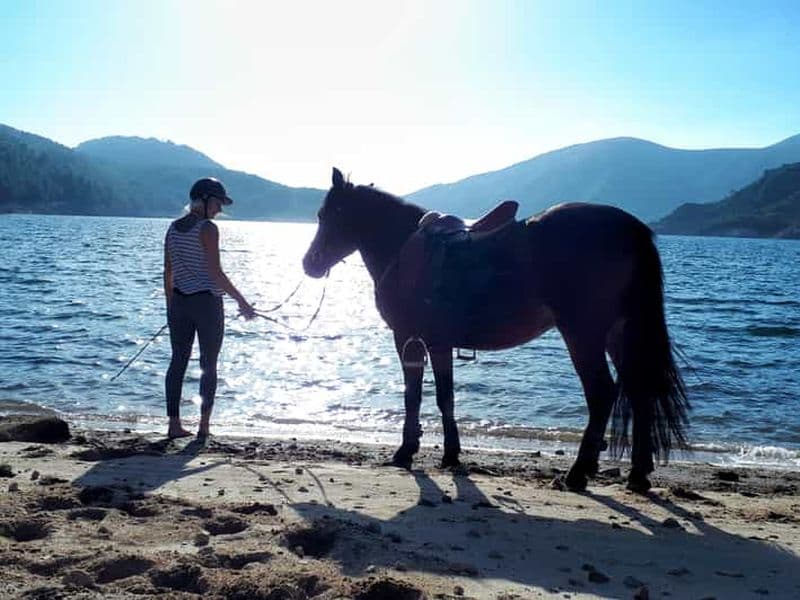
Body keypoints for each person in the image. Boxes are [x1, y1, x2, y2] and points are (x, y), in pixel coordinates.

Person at [162, 177, 255, 441]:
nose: (218, 210)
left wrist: (171, 306)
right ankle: (203, 427)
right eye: (216, 203)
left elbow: (168, 271)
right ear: (203, 200)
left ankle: (173, 424)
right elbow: (216, 273)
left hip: (179, 302)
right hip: (207, 304)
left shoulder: (172, 228)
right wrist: (242, 302)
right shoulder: (208, 229)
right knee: (208, 364)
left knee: (177, 362)